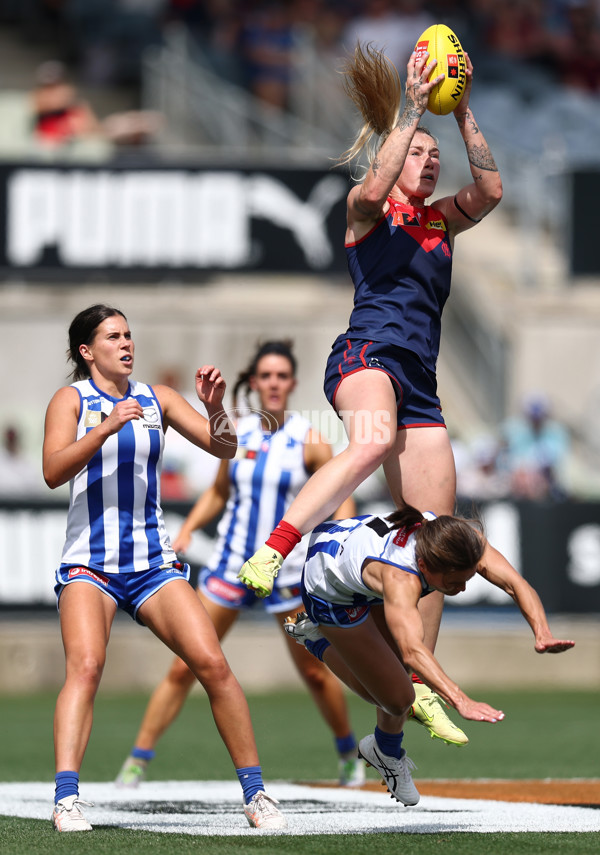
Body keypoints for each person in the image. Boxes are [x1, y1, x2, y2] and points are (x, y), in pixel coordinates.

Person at [238, 44, 503, 745]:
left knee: (437, 538)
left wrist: (464, 111)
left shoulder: (443, 220)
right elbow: (371, 182)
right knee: (372, 438)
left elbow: (493, 191)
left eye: (434, 154)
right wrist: (412, 111)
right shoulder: (367, 212)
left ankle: (395, 721)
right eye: (420, 151)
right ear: (392, 155)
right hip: (365, 356)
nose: (432, 159)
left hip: (420, 378)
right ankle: (276, 549)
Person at [43, 304, 285, 832]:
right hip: (91, 563)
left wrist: (216, 407)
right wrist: (105, 427)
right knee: (85, 667)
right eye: (113, 336)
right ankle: (67, 799)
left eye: (129, 334)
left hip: (152, 563)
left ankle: (256, 795)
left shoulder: (158, 399)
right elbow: (51, 471)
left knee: (213, 665)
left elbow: (227, 446)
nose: (127, 343)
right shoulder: (71, 399)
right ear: (87, 351)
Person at [115, 340, 366, 789]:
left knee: (313, 669)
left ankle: (348, 752)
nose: (273, 384)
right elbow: (218, 491)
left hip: (286, 573)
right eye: (265, 375)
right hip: (230, 565)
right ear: (254, 381)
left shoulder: (309, 439)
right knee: (185, 665)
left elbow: (337, 494)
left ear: (292, 383)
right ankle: (138, 758)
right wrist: (190, 527)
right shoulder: (237, 430)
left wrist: (342, 540)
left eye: (282, 376)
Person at [284, 504, 575, 804]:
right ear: (424, 566)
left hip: (353, 549)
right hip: (328, 584)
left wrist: (542, 632)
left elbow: (515, 584)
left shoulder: (459, 540)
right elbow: (413, 652)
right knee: (397, 698)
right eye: (453, 583)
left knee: (393, 679)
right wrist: (462, 701)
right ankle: (316, 637)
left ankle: (384, 749)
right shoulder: (401, 579)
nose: (461, 589)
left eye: (467, 579)